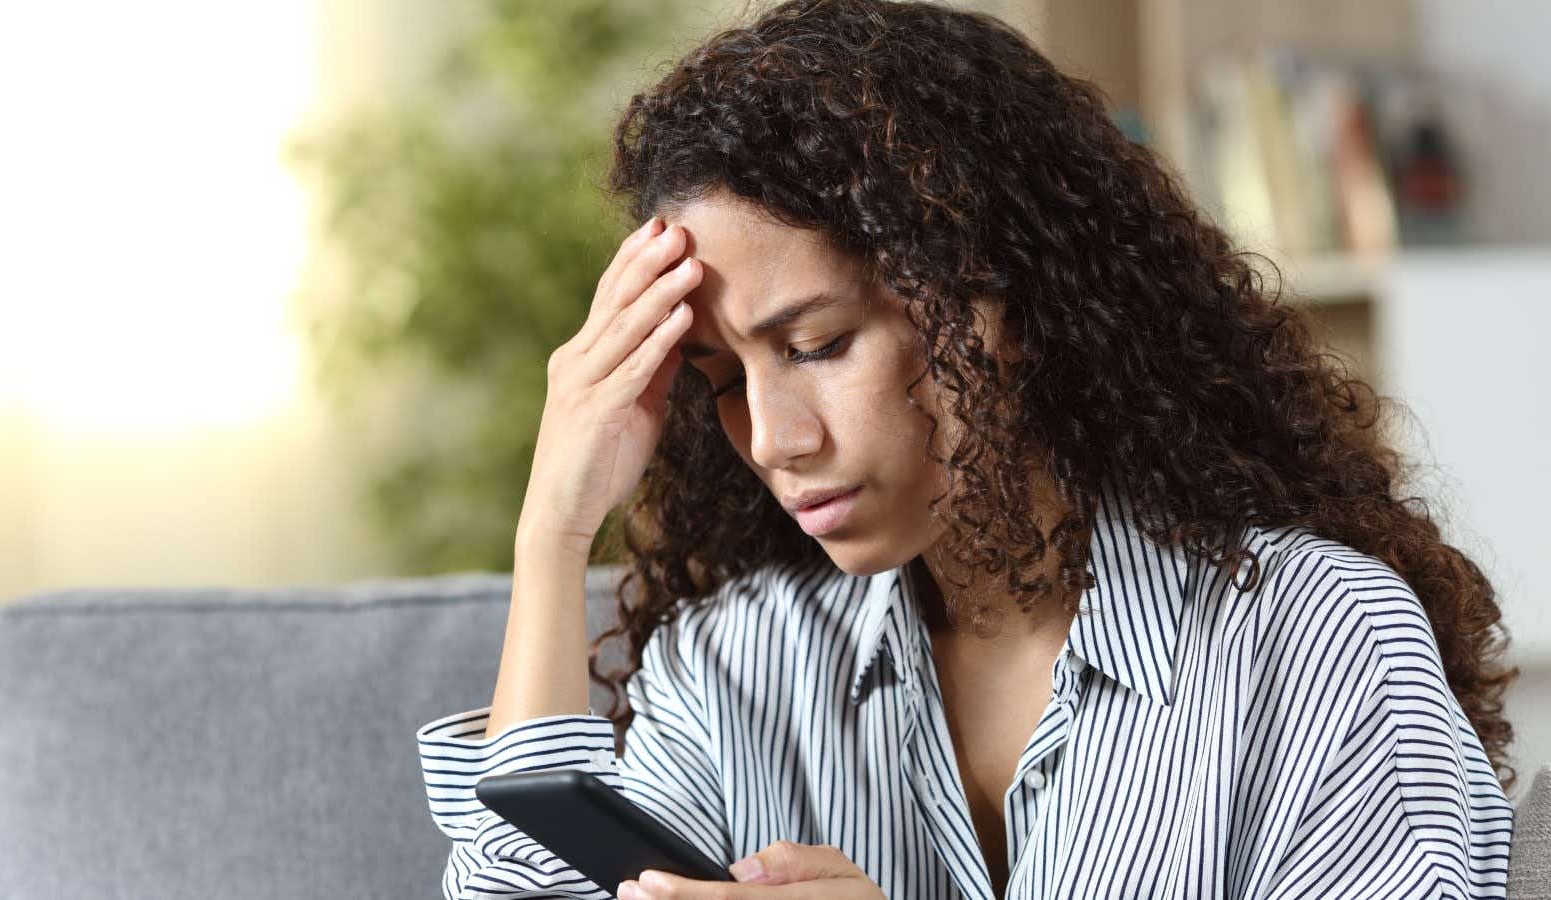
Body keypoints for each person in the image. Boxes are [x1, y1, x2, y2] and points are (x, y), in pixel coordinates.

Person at [417, 1, 1520, 897]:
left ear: (997, 305)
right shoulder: (735, 671)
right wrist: (553, 530)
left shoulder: (1311, 645)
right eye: (720, 385)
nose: (775, 441)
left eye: (815, 344)